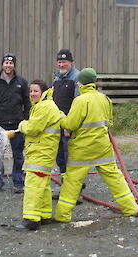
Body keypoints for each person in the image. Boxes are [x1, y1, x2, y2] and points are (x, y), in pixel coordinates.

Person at [54, 68, 138, 222]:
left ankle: (62, 216)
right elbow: (110, 123)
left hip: (82, 150)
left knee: (72, 182)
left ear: (81, 83)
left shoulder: (80, 100)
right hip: (103, 148)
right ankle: (131, 208)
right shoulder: (105, 99)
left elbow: (71, 124)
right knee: (115, 178)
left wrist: (60, 117)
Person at [14, 80, 62, 231]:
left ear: (43, 92)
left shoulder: (44, 107)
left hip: (40, 152)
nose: (32, 94)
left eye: (36, 91)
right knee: (43, 186)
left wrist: (22, 125)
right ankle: (45, 215)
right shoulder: (44, 105)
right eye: (31, 91)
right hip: (43, 152)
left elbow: (33, 128)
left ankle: (31, 219)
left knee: (33, 186)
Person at [0, 53, 31, 193]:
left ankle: (18, 182)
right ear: (2, 65)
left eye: (11, 63)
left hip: (17, 125)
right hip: (0, 125)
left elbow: (27, 102)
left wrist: (25, 118)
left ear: (14, 65)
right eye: (6, 63)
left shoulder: (21, 82)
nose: (8, 65)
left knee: (18, 155)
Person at [52, 49, 79, 177]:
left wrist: (69, 125)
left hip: (70, 127)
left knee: (71, 158)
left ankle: (75, 189)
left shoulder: (76, 78)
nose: (61, 65)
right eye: (59, 62)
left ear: (72, 63)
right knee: (60, 158)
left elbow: (78, 104)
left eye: (64, 62)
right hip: (58, 125)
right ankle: (65, 187)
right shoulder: (57, 77)